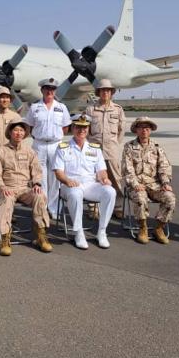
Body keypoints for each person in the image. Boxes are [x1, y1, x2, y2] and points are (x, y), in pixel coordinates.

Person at [0, 120, 53, 256]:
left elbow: (37, 170)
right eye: (16, 130)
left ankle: (40, 235)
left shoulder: (30, 152)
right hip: (8, 188)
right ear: (10, 133)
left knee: (40, 195)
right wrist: (2, 187)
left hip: (25, 189)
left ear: (25, 134)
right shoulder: (0, 151)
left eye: (22, 131)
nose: (19, 133)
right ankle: (5, 238)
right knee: (6, 200)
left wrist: (36, 184)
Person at [53, 113, 116, 249]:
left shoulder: (95, 148)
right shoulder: (63, 147)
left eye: (84, 128)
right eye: (78, 127)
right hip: (69, 185)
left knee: (110, 192)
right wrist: (67, 180)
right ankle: (79, 232)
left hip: (90, 184)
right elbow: (58, 172)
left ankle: (102, 231)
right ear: (72, 128)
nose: (81, 130)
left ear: (88, 129)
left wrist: (104, 178)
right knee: (75, 193)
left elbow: (101, 170)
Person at [121, 116, 176, 245]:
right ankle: (143, 228)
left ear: (150, 130)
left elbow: (164, 167)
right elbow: (127, 169)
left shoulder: (157, 148)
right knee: (141, 198)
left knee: (170, 198)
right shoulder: (129, 147)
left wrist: (165, 183)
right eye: (141, 128)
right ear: (136, 130)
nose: (144, 130)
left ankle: (159, 228)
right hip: (136, 185)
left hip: (154, 185)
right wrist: (135, 184)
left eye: (147, 128)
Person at [25, 78, 72, 220]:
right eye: (46, 88)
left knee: (55, 177)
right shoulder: (34, 107)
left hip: (55, 144)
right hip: (39, 144)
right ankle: (42, 206)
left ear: (55, 91)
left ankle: (54, 207)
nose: (49, 91)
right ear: (42, 90)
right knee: (40, 177)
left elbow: (65, 127)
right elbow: (30, 126)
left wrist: (54, 136)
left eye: (52, 88)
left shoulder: (61, 107)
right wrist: (40, 136)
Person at [85, 78, 126, 219]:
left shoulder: (118, 109)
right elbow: (87, 130)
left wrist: (113, 143)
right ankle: (93, 207)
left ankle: (118, 206)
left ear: (112, 93)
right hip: (94, 149)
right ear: (98, 92)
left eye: (108, 90)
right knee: (93, 177)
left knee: (115, 178)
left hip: (111, 149)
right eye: (103, 90)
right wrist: (92, 143)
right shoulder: (91, 109)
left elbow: (121, 130)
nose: (105, 92)